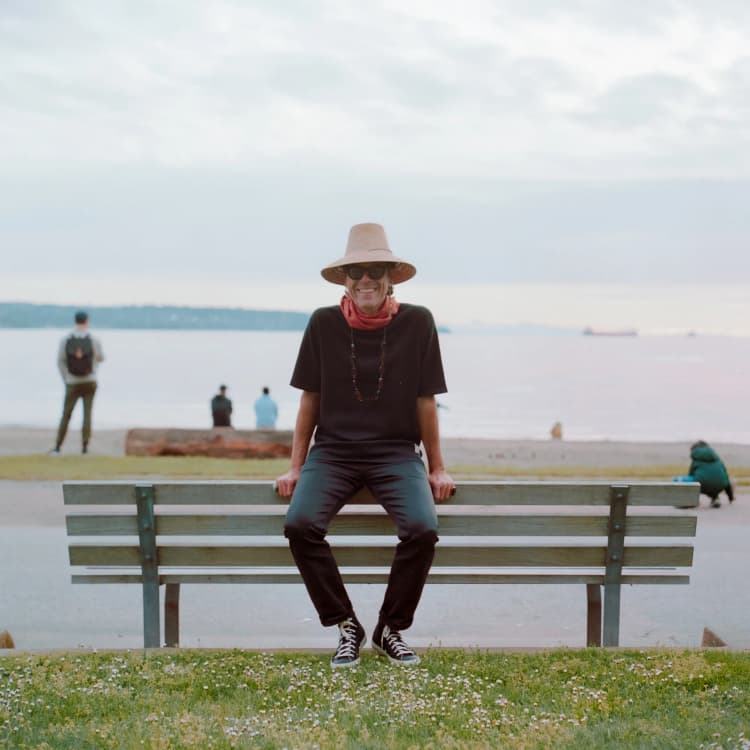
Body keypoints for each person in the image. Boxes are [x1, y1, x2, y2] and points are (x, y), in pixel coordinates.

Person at [276, 222, 455, 669]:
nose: (366, 279)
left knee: (422, 528)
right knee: (299, 525)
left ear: (391, 275)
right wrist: (296, 466)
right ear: (345, 280)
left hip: (396, 453)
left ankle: (390, 628)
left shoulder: (419, 322)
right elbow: (309, 401)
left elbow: (425, 401)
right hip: (333, 453)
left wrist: (437, 467)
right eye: (356, 272)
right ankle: (346, 626)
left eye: (375, 269)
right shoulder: (322, 324)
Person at [51, 310, 105, 454]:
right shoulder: (94, 339)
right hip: (90, 381)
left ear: (75, 321)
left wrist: (66, 378)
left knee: (66, 415)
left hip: (72, 382)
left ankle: (58, 447)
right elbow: (101, 358)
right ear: (87, 321)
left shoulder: (66, 339)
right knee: (87, 415)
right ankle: (85, 448)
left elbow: (60, 361)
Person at [685, 440, 735, 508]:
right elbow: (726, 477)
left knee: (692, 480)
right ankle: (715, 498)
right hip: (720, 485)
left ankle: (693, 501)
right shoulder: (717, 459)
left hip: (702, 485)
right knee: (717, 480)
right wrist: (730, 497)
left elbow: (690, 476)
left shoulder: (696, 461)